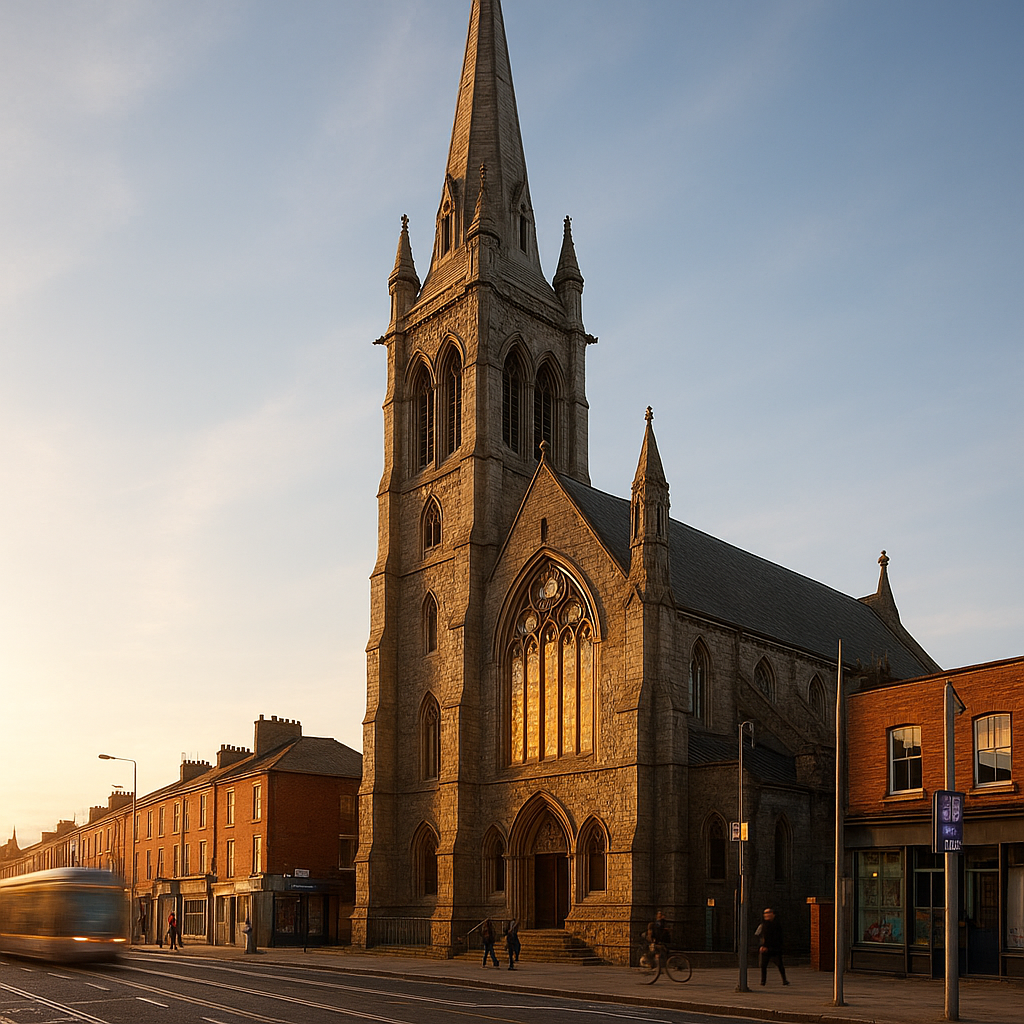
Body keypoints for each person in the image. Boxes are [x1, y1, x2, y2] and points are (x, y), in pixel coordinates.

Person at [755, 907, 788, 986]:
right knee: (763, 965)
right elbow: (759, 936)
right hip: (765, 948)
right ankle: (763, 981)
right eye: (765, 913)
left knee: (779, 964)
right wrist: (762, 946)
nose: (766, 915)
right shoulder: (763, 925)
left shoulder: (777, 925)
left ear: (773, 914)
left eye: (768, 913)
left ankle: (784, 980)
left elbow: (778, 937)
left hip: (775, 948)